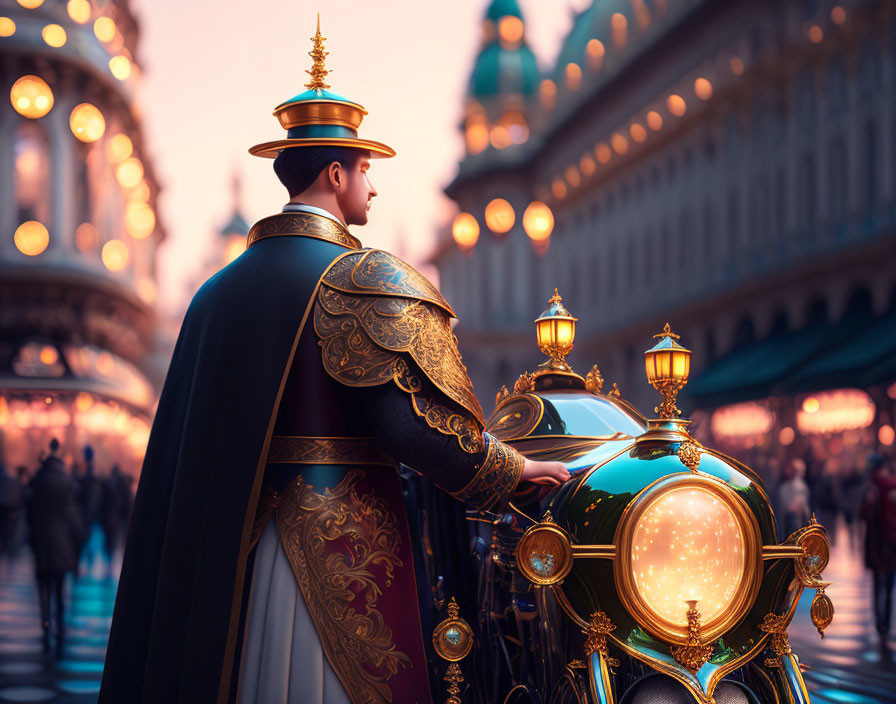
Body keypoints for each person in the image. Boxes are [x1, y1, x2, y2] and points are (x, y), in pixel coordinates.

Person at [100, 20, 568, 704]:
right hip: (347, 558)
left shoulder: (212, 297)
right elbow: (412, 430)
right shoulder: (362, 278)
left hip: (239, 561)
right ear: (336, 172)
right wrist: (513, 467)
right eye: (368, 171)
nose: (374, 189)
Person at [25, 439, 84, 655]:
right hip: (61, 545)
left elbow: (29, 517)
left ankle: (45, 627)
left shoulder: (36, 482)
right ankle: (59, 630)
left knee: (43, 590)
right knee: (60, 591)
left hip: (41, 543)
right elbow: (73, 519)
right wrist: (78, 544)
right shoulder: (66, 485)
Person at [860, 452, 896, 649]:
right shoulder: (891, 487)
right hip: (890, 545)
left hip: (876, 544)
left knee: (878, 586)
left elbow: (862, 512)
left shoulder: (872, 488)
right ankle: (885, 626)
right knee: (889, 586)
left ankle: (881, 626)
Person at [778, 457, 812, 537]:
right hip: (789, 518)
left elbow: (798, 505)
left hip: (794, 519)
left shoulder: (799, 486)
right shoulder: (787, 485)